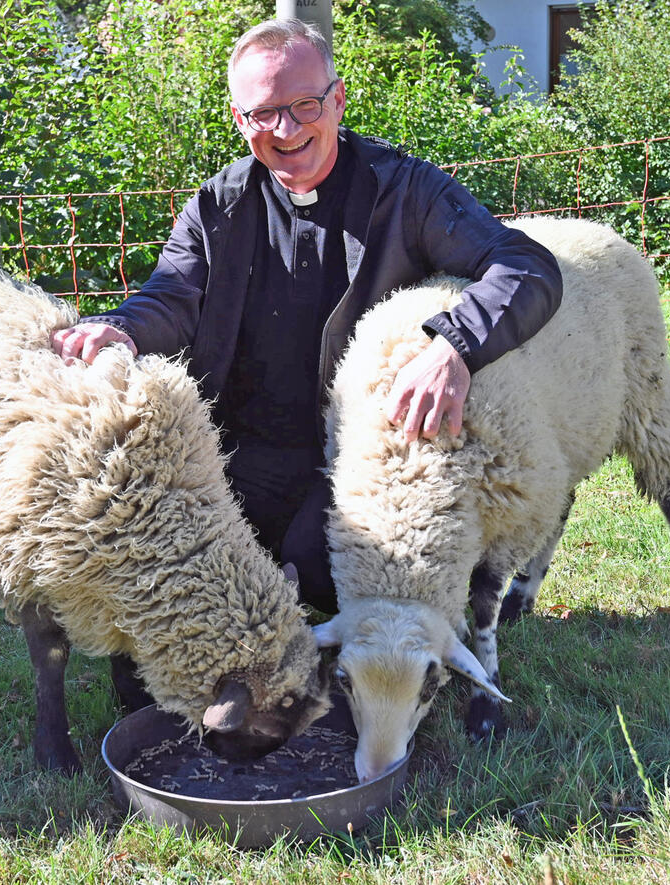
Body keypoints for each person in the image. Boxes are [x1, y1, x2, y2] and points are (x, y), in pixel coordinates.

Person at [51, 18, 562, 615]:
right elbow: (171, 296)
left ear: (337, 99)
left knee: (317, 574)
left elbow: (528, 267)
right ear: (239, 119)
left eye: (304, 105)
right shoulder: (217, 205)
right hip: (239, 448)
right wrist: (123, 330)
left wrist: (454, 348)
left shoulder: (407, 193)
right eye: (264, 113)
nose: (286, 129)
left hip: (357, 453)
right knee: (169, 561)